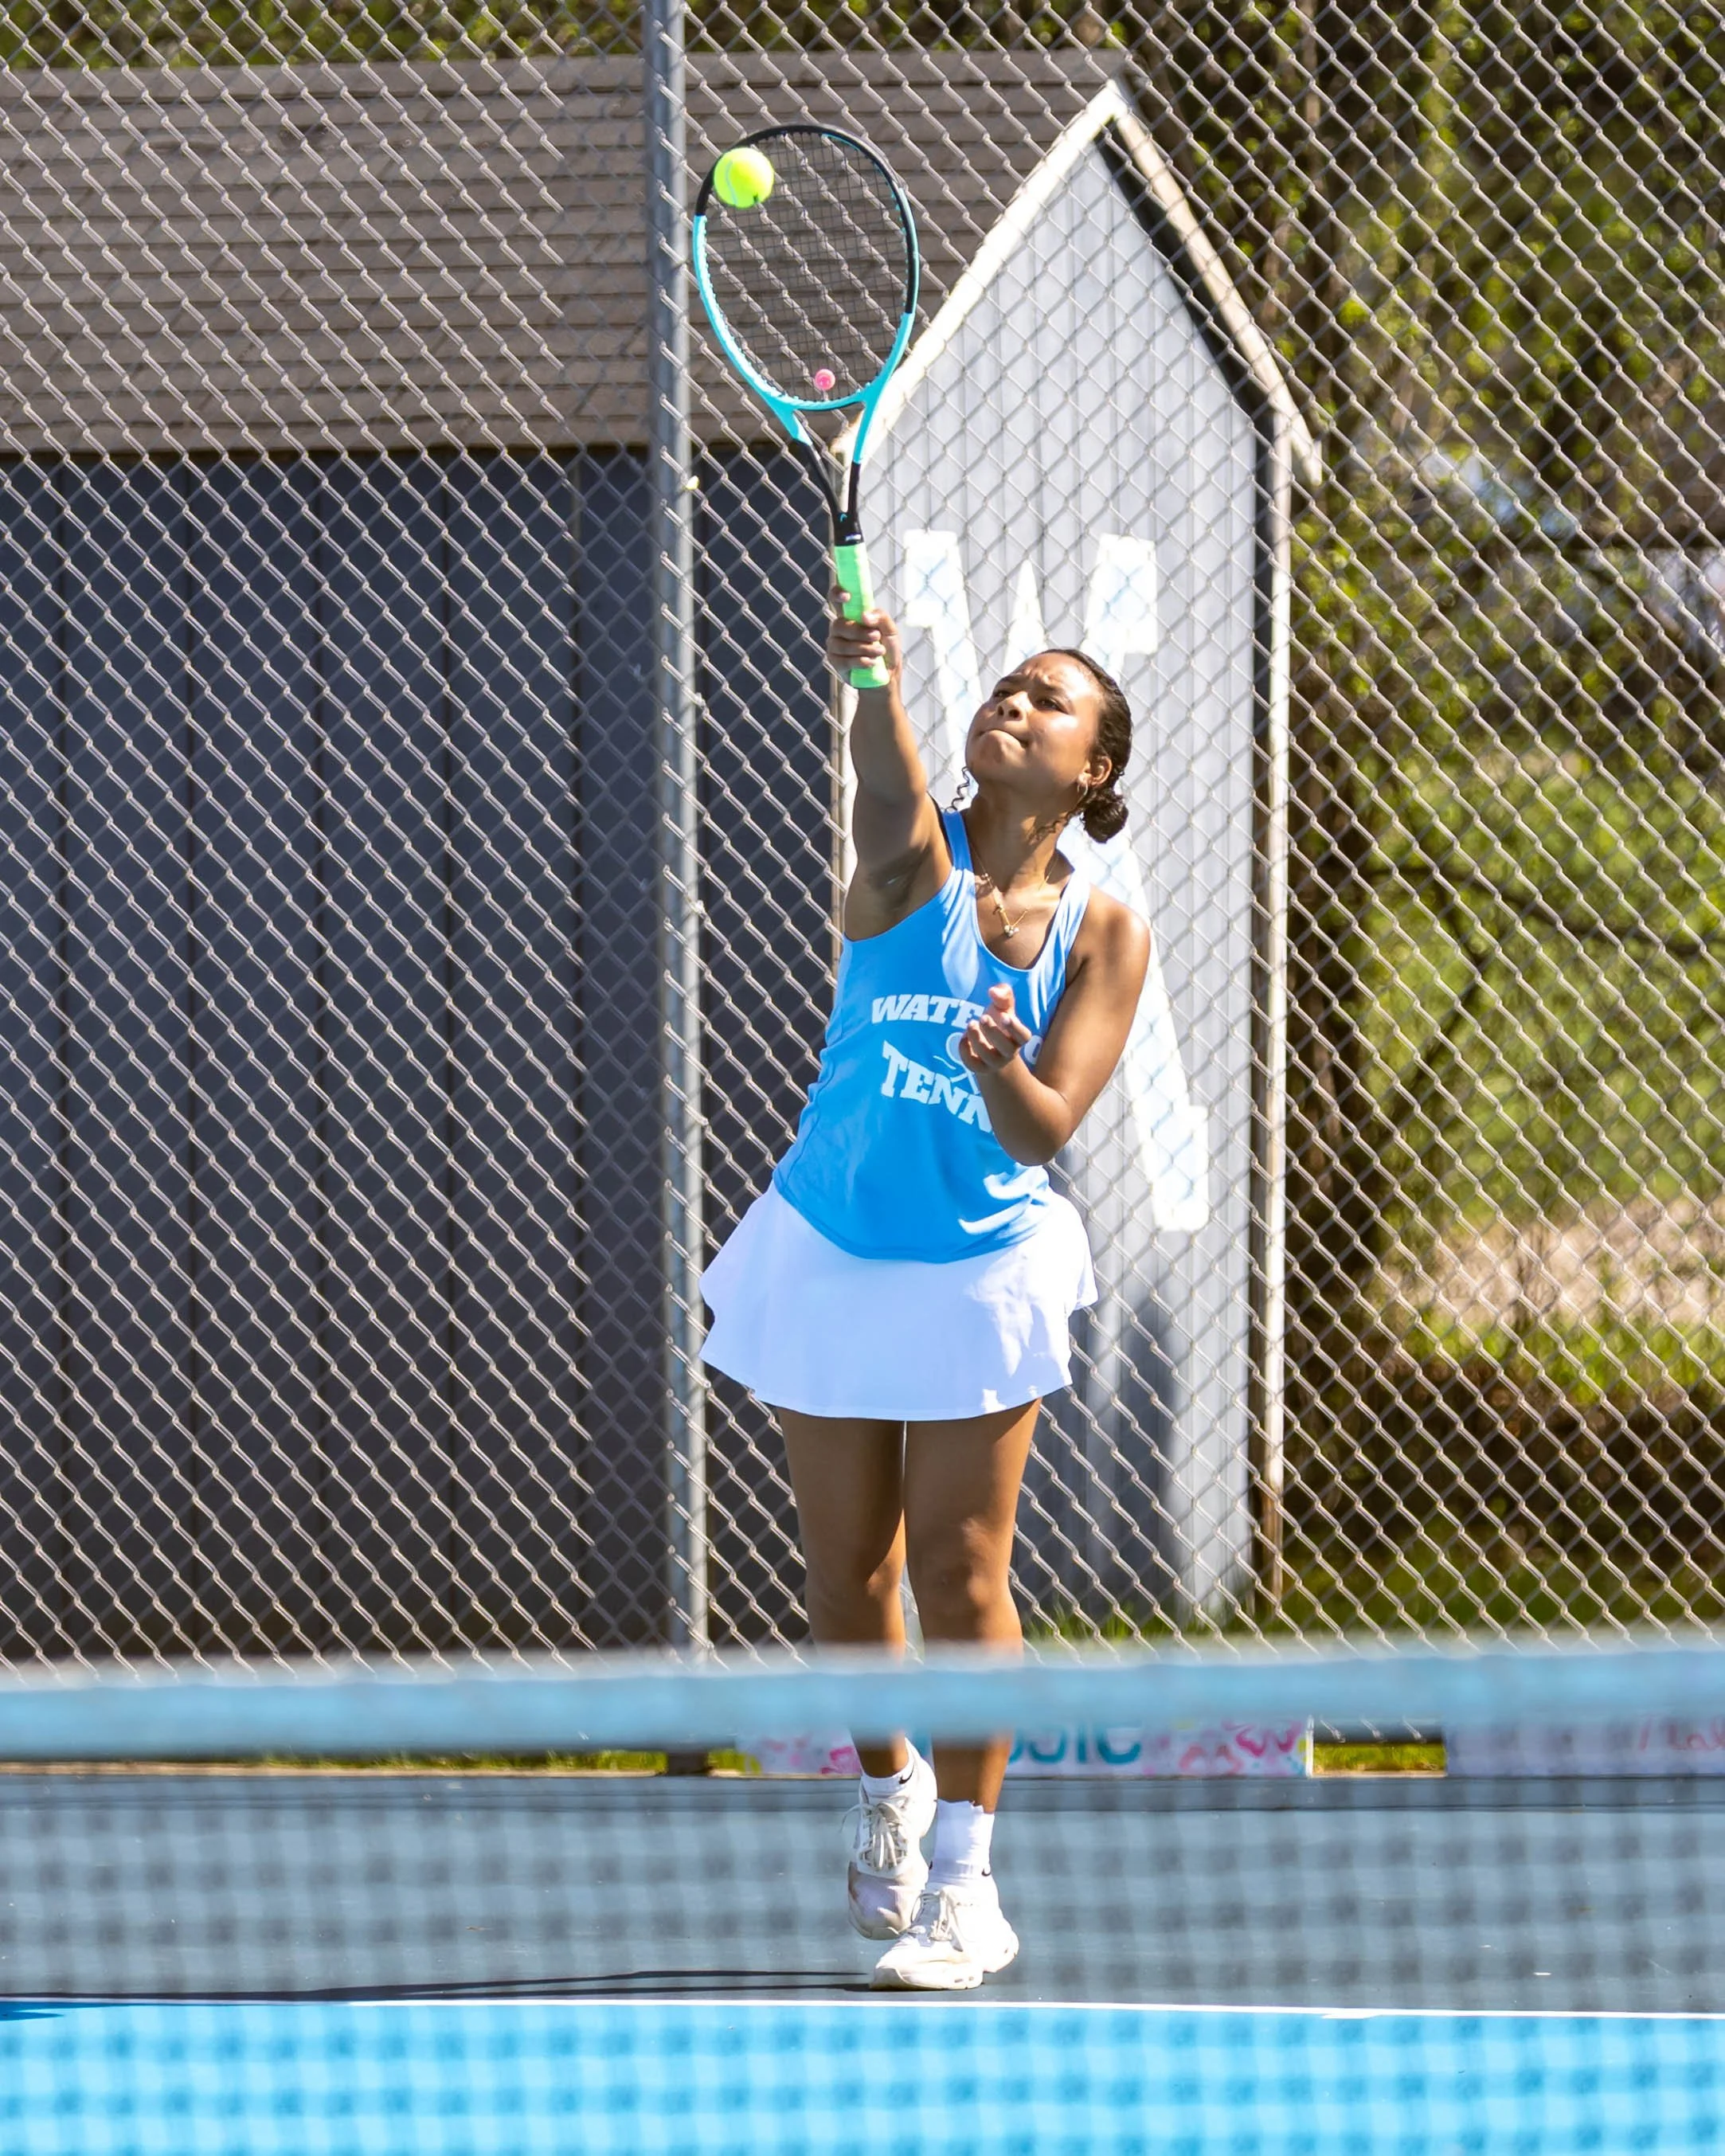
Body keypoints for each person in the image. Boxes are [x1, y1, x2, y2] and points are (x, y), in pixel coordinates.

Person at [700, 587, 1150, 1990]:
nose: (1014, 701)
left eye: (1051, 698)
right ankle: (887, 1785)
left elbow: (1043, 1127)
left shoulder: (1103, 931)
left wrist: (996, 1061)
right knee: (850, 1570)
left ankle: (966, 1880)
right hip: (832, 1245)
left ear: (1092, 771)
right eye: (1005, 686)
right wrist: (872, 676)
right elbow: (883, 779)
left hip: (982, 1267)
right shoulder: (906, 868)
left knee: (961, 1572)